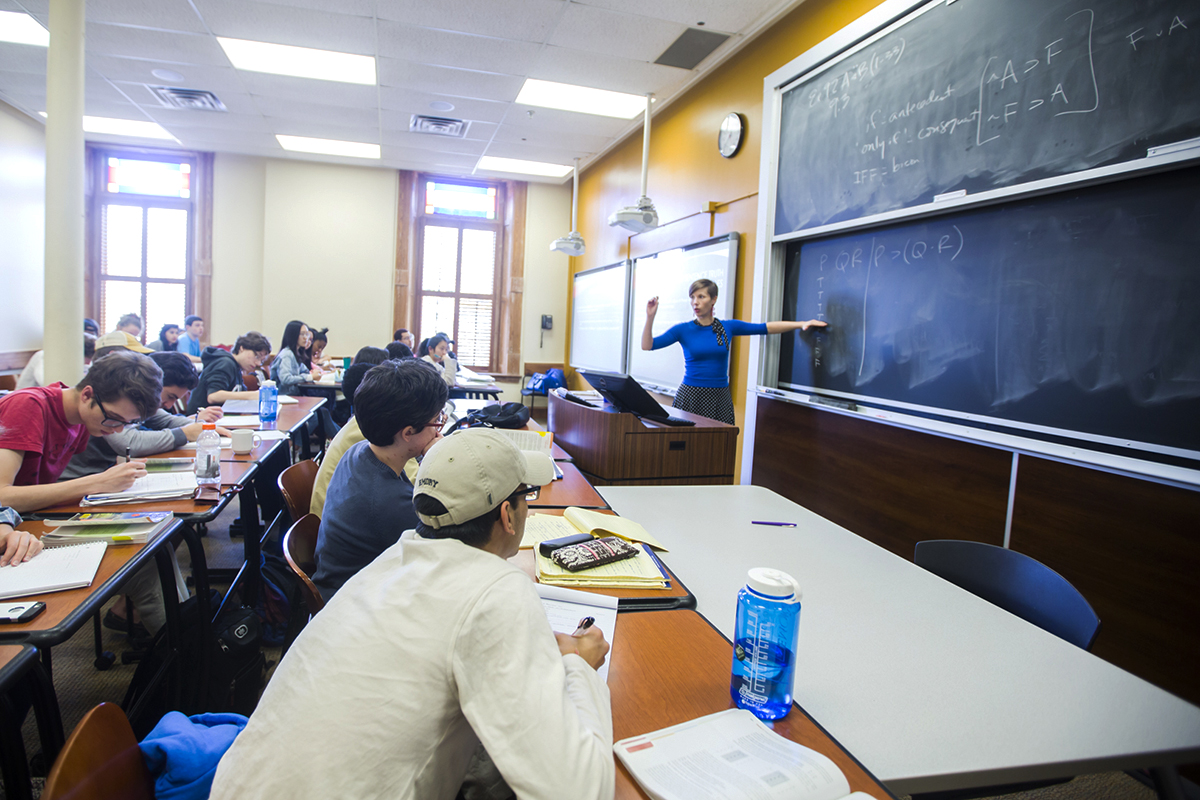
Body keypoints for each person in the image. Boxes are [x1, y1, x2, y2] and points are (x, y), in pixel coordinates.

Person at [210, 427, 612, 800]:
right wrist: (579, 667)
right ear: (508, 515)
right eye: (527, 496)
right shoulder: (498, 589)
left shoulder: (395, 558)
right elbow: (579, 790)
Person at [310, 358, 448, 600]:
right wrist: (440, 459)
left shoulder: (359, 451)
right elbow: (446, 553)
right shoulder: (387, 502)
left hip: (348, 583)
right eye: (437, 420)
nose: (439, 430)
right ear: (407, 433)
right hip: (355, 606)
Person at [641, 279, 827, 424]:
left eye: (701, 297)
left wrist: (802, 324)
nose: (695, 302)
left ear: (714, 299)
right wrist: (650, 317)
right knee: (687, 449)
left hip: (719, 396)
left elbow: (765, 327)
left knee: (719, 448)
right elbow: (648, 345)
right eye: (692, 297)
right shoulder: (683, 329)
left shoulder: (727, 327)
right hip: (691, 396)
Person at [0, 350, 160, 514]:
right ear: (87, 395)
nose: (118, 429)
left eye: (127, 423)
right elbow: (2, 498)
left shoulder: (84, 419)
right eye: (113, 418)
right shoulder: (27, 406)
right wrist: (97, 482)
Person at [62, 352, 228, 480]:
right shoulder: (114, 400)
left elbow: (166, 420)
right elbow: (128, 442)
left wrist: (202, 427)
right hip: (89, 478)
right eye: (170, 396)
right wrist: (185, 433)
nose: (169, 405)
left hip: (103, 475)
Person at [308, 348, 390, 517]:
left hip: (336, 514)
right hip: (331, 521)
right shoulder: (370, 427)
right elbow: (413, 481)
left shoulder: (362, 419)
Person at [187, 332, 271, 414]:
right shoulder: (225, 363)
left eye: (262, 361)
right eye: (257, 356)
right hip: (201, 420)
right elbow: (213, 396)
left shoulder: (237, 367)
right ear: (242, 348)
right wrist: (252, 395)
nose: (258, 363)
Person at [16, 333, 96, 390]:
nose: (88, 363)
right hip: (27, 400)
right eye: (85, 360)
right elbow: (48, 383)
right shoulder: (43, 356)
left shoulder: (85, 360)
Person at [270, 321, 322, 395]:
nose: (305, 338)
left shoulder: (296, 353)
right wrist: (309, 377)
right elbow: (285, 379)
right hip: (284, 396)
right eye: (302, 334)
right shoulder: (287, 354)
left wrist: (314, 373)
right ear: (293, 335)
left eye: (307, 334)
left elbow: (304, 371)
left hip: (294, 395)